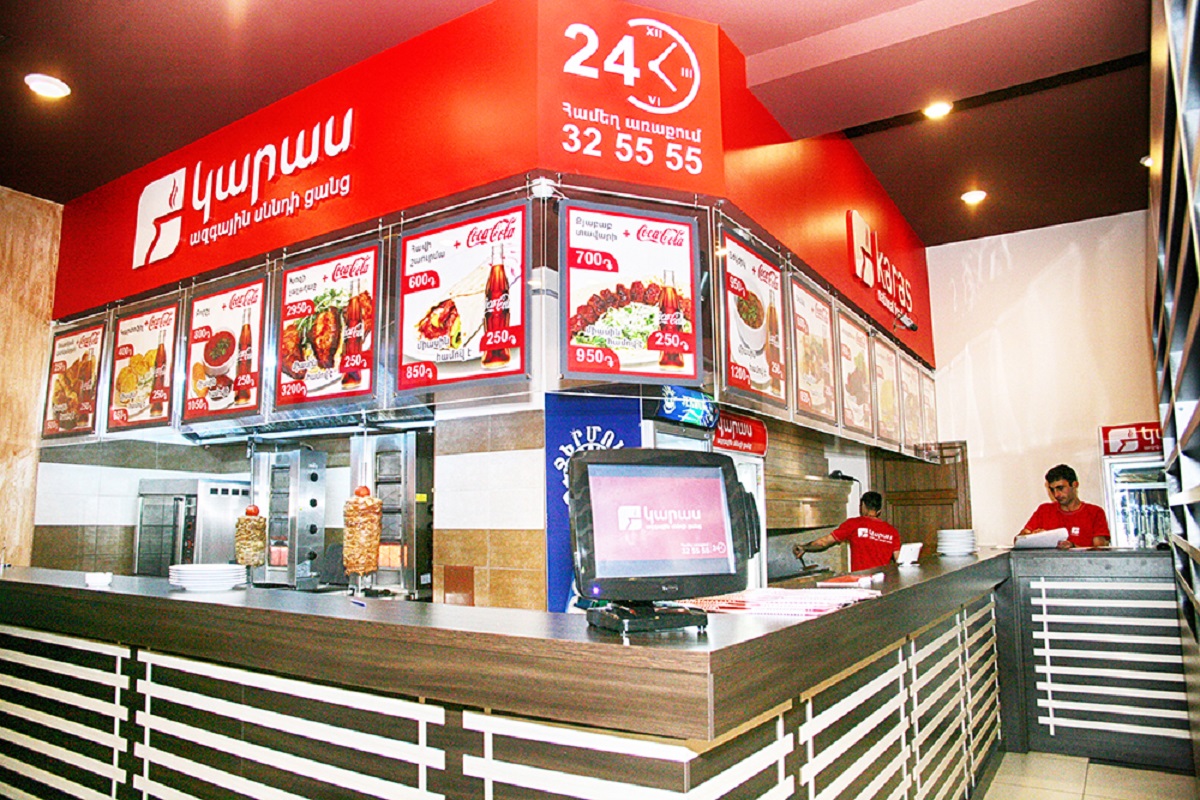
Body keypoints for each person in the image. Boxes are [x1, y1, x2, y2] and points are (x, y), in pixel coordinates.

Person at [793, 491, 901, 572]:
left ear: (863, 505)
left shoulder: (853, 524)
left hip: (861, 581)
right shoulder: (892, 531)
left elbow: (824, 542)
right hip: (883, 582)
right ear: (879, 510)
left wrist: (804, 547)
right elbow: (899, 560)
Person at [1017, 464, 1110, 549]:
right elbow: (1018, 540)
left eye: (1060, 488)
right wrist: (1032, 536)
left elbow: (1100, 551)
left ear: (1074, 485)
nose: (1056, 494)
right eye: (1052, 490)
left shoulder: (1094, 512)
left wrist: (1073, 547)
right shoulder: (1044, 510)